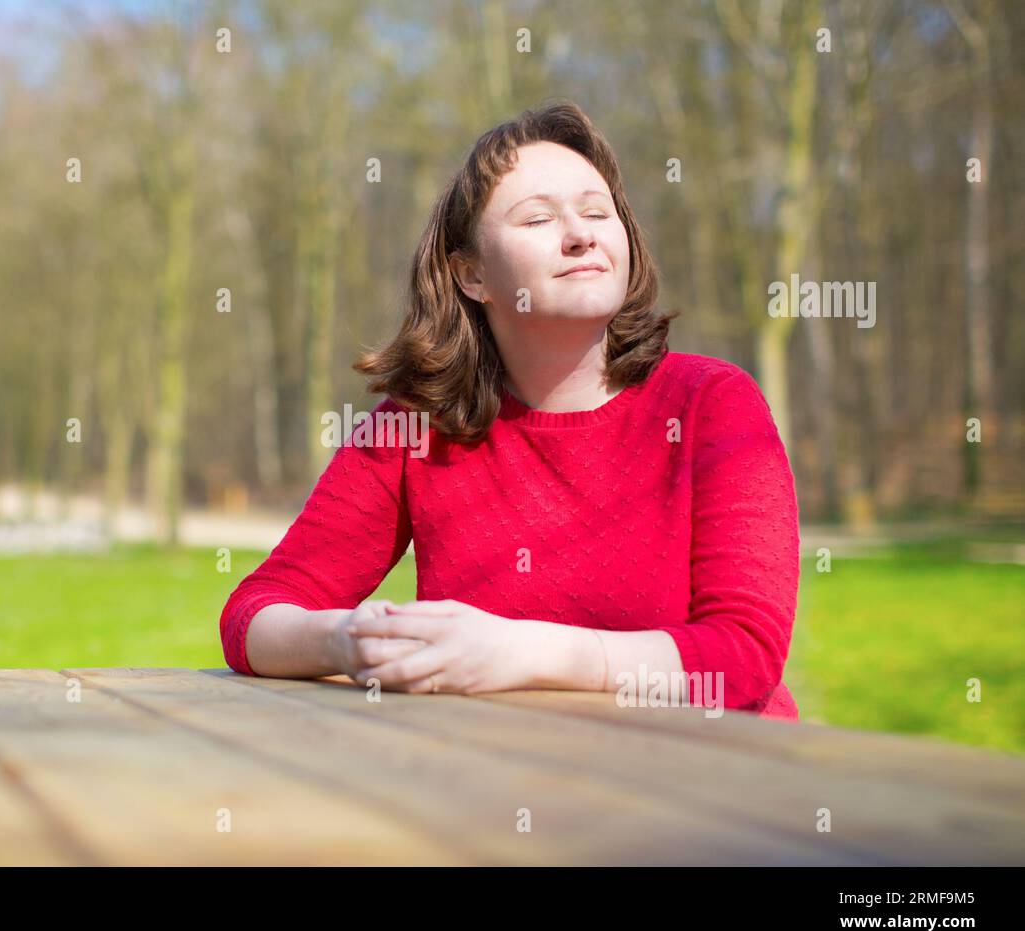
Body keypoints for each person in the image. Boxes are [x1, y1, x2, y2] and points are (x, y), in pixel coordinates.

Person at [219, 99, 800, 720]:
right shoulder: (414, 426)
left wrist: (522, 653)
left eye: (597, 212)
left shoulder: (712, 403)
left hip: (713, 788)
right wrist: (351, 641)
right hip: (501, 785)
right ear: (471, 275)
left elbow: (743, 656)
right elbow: (255, 616)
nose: (582, 235)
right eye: (538, 219)